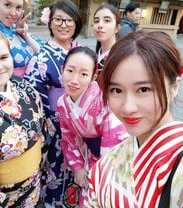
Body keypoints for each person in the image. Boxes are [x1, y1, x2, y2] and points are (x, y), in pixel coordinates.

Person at [84, 30, 183, 207]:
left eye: (144, 89)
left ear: (174, 86)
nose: (128, 107)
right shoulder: (106, 164)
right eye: (116, 90)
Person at [0, 25, 45, 207]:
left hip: (36, 187)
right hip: (5, 201)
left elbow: (43, 131)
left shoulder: (24, 87)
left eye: (4, 57)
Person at [24, 0, 82, 207]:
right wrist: (56, 122)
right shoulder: (40, 58)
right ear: (50, 22)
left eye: (69, 20)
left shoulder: (81, 51)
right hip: (55, 126)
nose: (63, 25)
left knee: (79, 172)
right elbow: (33, 98)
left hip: (82, 124)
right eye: (58, 19)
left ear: (77, 24)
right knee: (55, 170)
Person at [57, 46, 127, 207]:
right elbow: (68, 137)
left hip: (110, 161)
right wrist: (78, 168)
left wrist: (102, 174)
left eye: (83, 74)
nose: (74, 80)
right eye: (70, 71)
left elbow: (114, 142)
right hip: (88, 157)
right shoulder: (62, 103)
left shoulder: (103, 102)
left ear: (93, 77)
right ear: (62, 69)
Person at [0, 0, 41, 78]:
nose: (13, 13)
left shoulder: (15, 28)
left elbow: (43, 53)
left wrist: (25, 35)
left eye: (18, 7)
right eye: (7, 5)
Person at [93, 3, 121, 80]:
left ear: (117, 28)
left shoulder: (121, 58)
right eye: (96, 21)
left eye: (107, 20)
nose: (100, 25)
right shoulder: (96, 55)